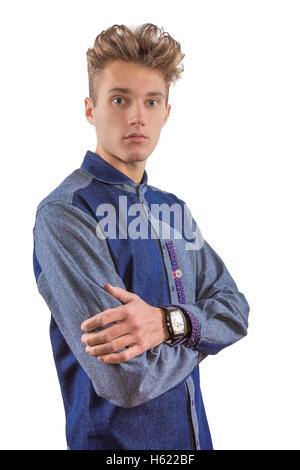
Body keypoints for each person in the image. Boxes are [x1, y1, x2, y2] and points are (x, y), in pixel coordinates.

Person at [32, 23, 250, 451]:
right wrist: (200, 333)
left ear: (166, 112)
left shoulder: (173, 210)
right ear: (90, 108)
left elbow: (237, 312)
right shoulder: (66, 214)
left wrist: (169, 323)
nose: (137, 116)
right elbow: (126, 379)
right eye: (119, 99)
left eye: (152, 101)